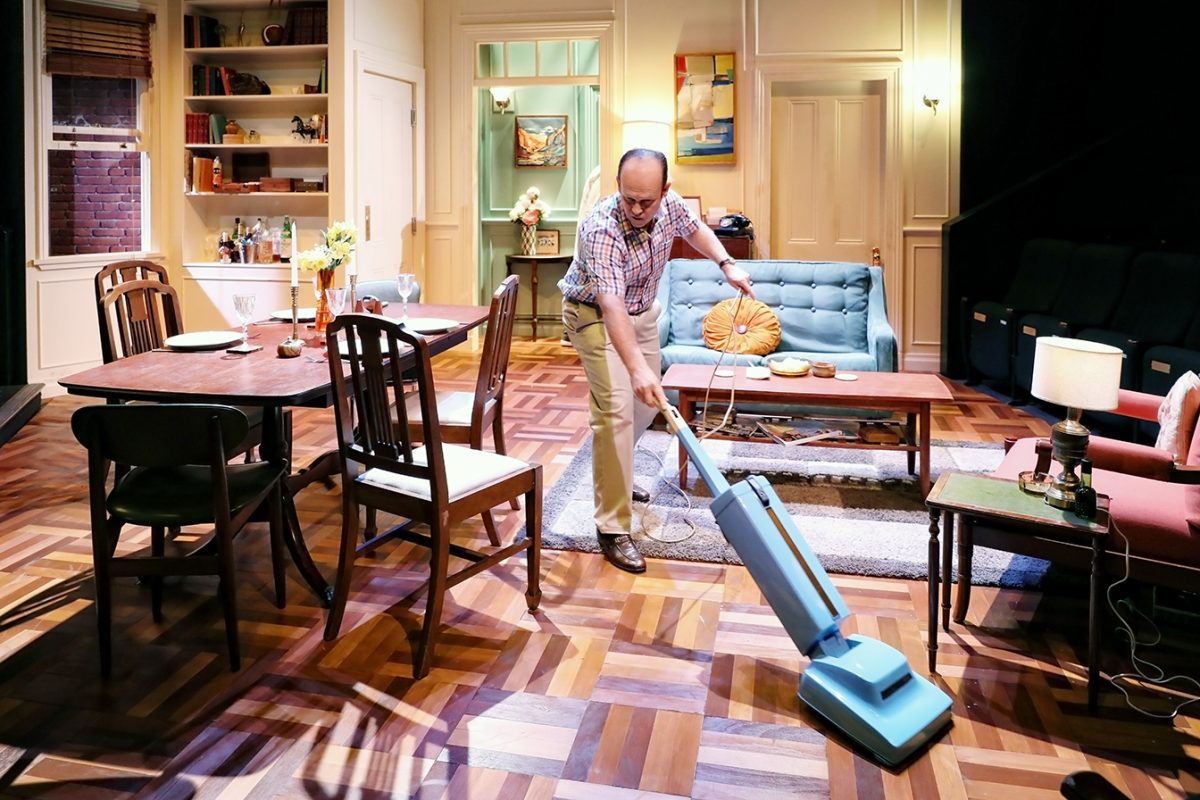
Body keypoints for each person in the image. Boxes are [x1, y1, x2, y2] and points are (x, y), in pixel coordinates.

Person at [559, 148, 754, 573]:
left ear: (665, 191)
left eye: (646, 200)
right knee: (614, 410)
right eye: (628, 198)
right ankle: (612, 527)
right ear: (618, 187)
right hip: (593, 315)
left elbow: (697, 228)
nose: (636, 208)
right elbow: (610, 306)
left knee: (647, 405)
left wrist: (727, 264)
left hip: (643, 311)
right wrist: (636, 368)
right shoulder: (601, 228)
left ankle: (619, 478)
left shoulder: (671, 205)